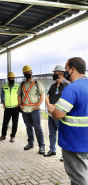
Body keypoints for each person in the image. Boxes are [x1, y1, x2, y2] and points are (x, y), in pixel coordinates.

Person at [50, 57, 88, 185]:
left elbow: (58, 114)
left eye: (66, 69)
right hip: (85, 140)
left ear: (73, 69)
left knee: (78, 178)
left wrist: (52, 110)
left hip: (74, 142)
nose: (65, 73)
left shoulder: (72, 88)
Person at [18, 65, 45, 154]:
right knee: (28, 127)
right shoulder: (22, 84)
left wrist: (38, 106)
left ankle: (41, 146)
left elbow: (42, 95)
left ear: (31, 73)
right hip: (25, 110)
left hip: (34, 109)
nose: (27, 74)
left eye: (28, 72)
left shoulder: (37, 83)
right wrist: (20, 105)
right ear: (23, 74)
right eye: (25, 73)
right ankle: (30, 143)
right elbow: (19, 95)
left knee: (37, 128)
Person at [44, 65, 70, 158]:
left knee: (62, 134)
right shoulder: (53, 85)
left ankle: (64, 155)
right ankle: (52, 150)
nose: (53, 75)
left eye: (55, 73)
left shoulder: (67, 84)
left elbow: (65, 99)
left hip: (60, 115)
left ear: (60, 74)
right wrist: (48, 105)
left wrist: (54, 106)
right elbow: (47, 96)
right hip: (51, 114)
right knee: (52, 133)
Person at [0, 72, 20, 142]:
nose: (12, 79)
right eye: (10, 78)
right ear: (8, 79)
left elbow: (20, 96)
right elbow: (2, 96)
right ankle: (3, 135)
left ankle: (13, 136)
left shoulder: (18, 86)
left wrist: (19, 104)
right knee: (5, 122)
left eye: (13, 78)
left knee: (15, 123)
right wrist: (3, 102)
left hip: (15, 108)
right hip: (7, 108)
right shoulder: (5, 87)